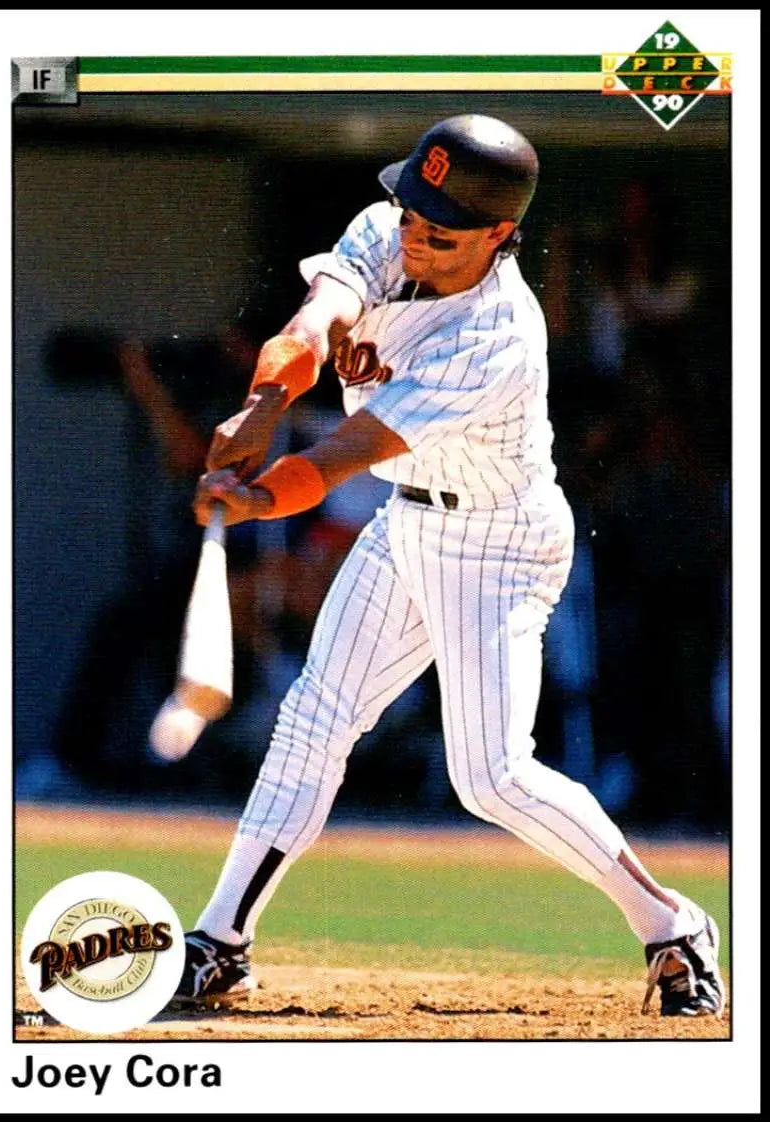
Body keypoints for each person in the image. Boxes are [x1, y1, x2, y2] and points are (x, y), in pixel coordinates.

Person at [171, 115, 725, 1018]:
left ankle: (673, 924)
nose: (418, 236)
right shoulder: (391, 229)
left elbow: (343, 455)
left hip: (499, 543)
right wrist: (261, 408)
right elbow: (314, 322)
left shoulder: (498, 336)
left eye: (444, 229)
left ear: (501, 237)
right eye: (414, 212)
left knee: (491, 774)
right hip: (408, 521)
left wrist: (256, 495)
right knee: (312, 719)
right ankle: (221, 941)